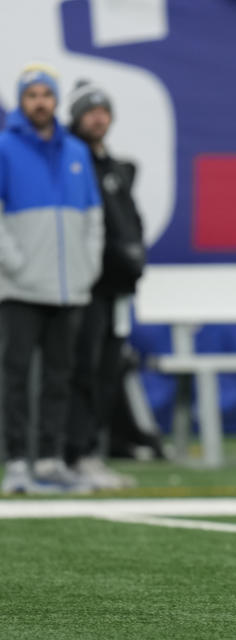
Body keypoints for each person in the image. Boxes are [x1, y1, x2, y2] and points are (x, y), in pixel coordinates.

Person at [0, 64, 104, 494]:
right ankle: (15, 464)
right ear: (22, 102)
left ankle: (48, 458)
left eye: (46, 94)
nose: (40, 102)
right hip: (21, 287)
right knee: (16, 377)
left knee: (60, 377)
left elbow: (93, 217)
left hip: (70, 289)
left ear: (56, 101)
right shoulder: (5, 147)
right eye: (32, 95)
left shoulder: (76, 152)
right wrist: (15, 263)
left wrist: (88, 267)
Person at [65, 80, 148, 489]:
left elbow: (128, 224)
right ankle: (74, 454)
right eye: (89, 110)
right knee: (81, 370)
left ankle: (90, 452)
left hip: (116, 289)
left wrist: (133, 265)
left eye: (103, 110)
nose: (98, 118)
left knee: (105, 371)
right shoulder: (73, 161)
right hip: (85, 288)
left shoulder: (112, 164)